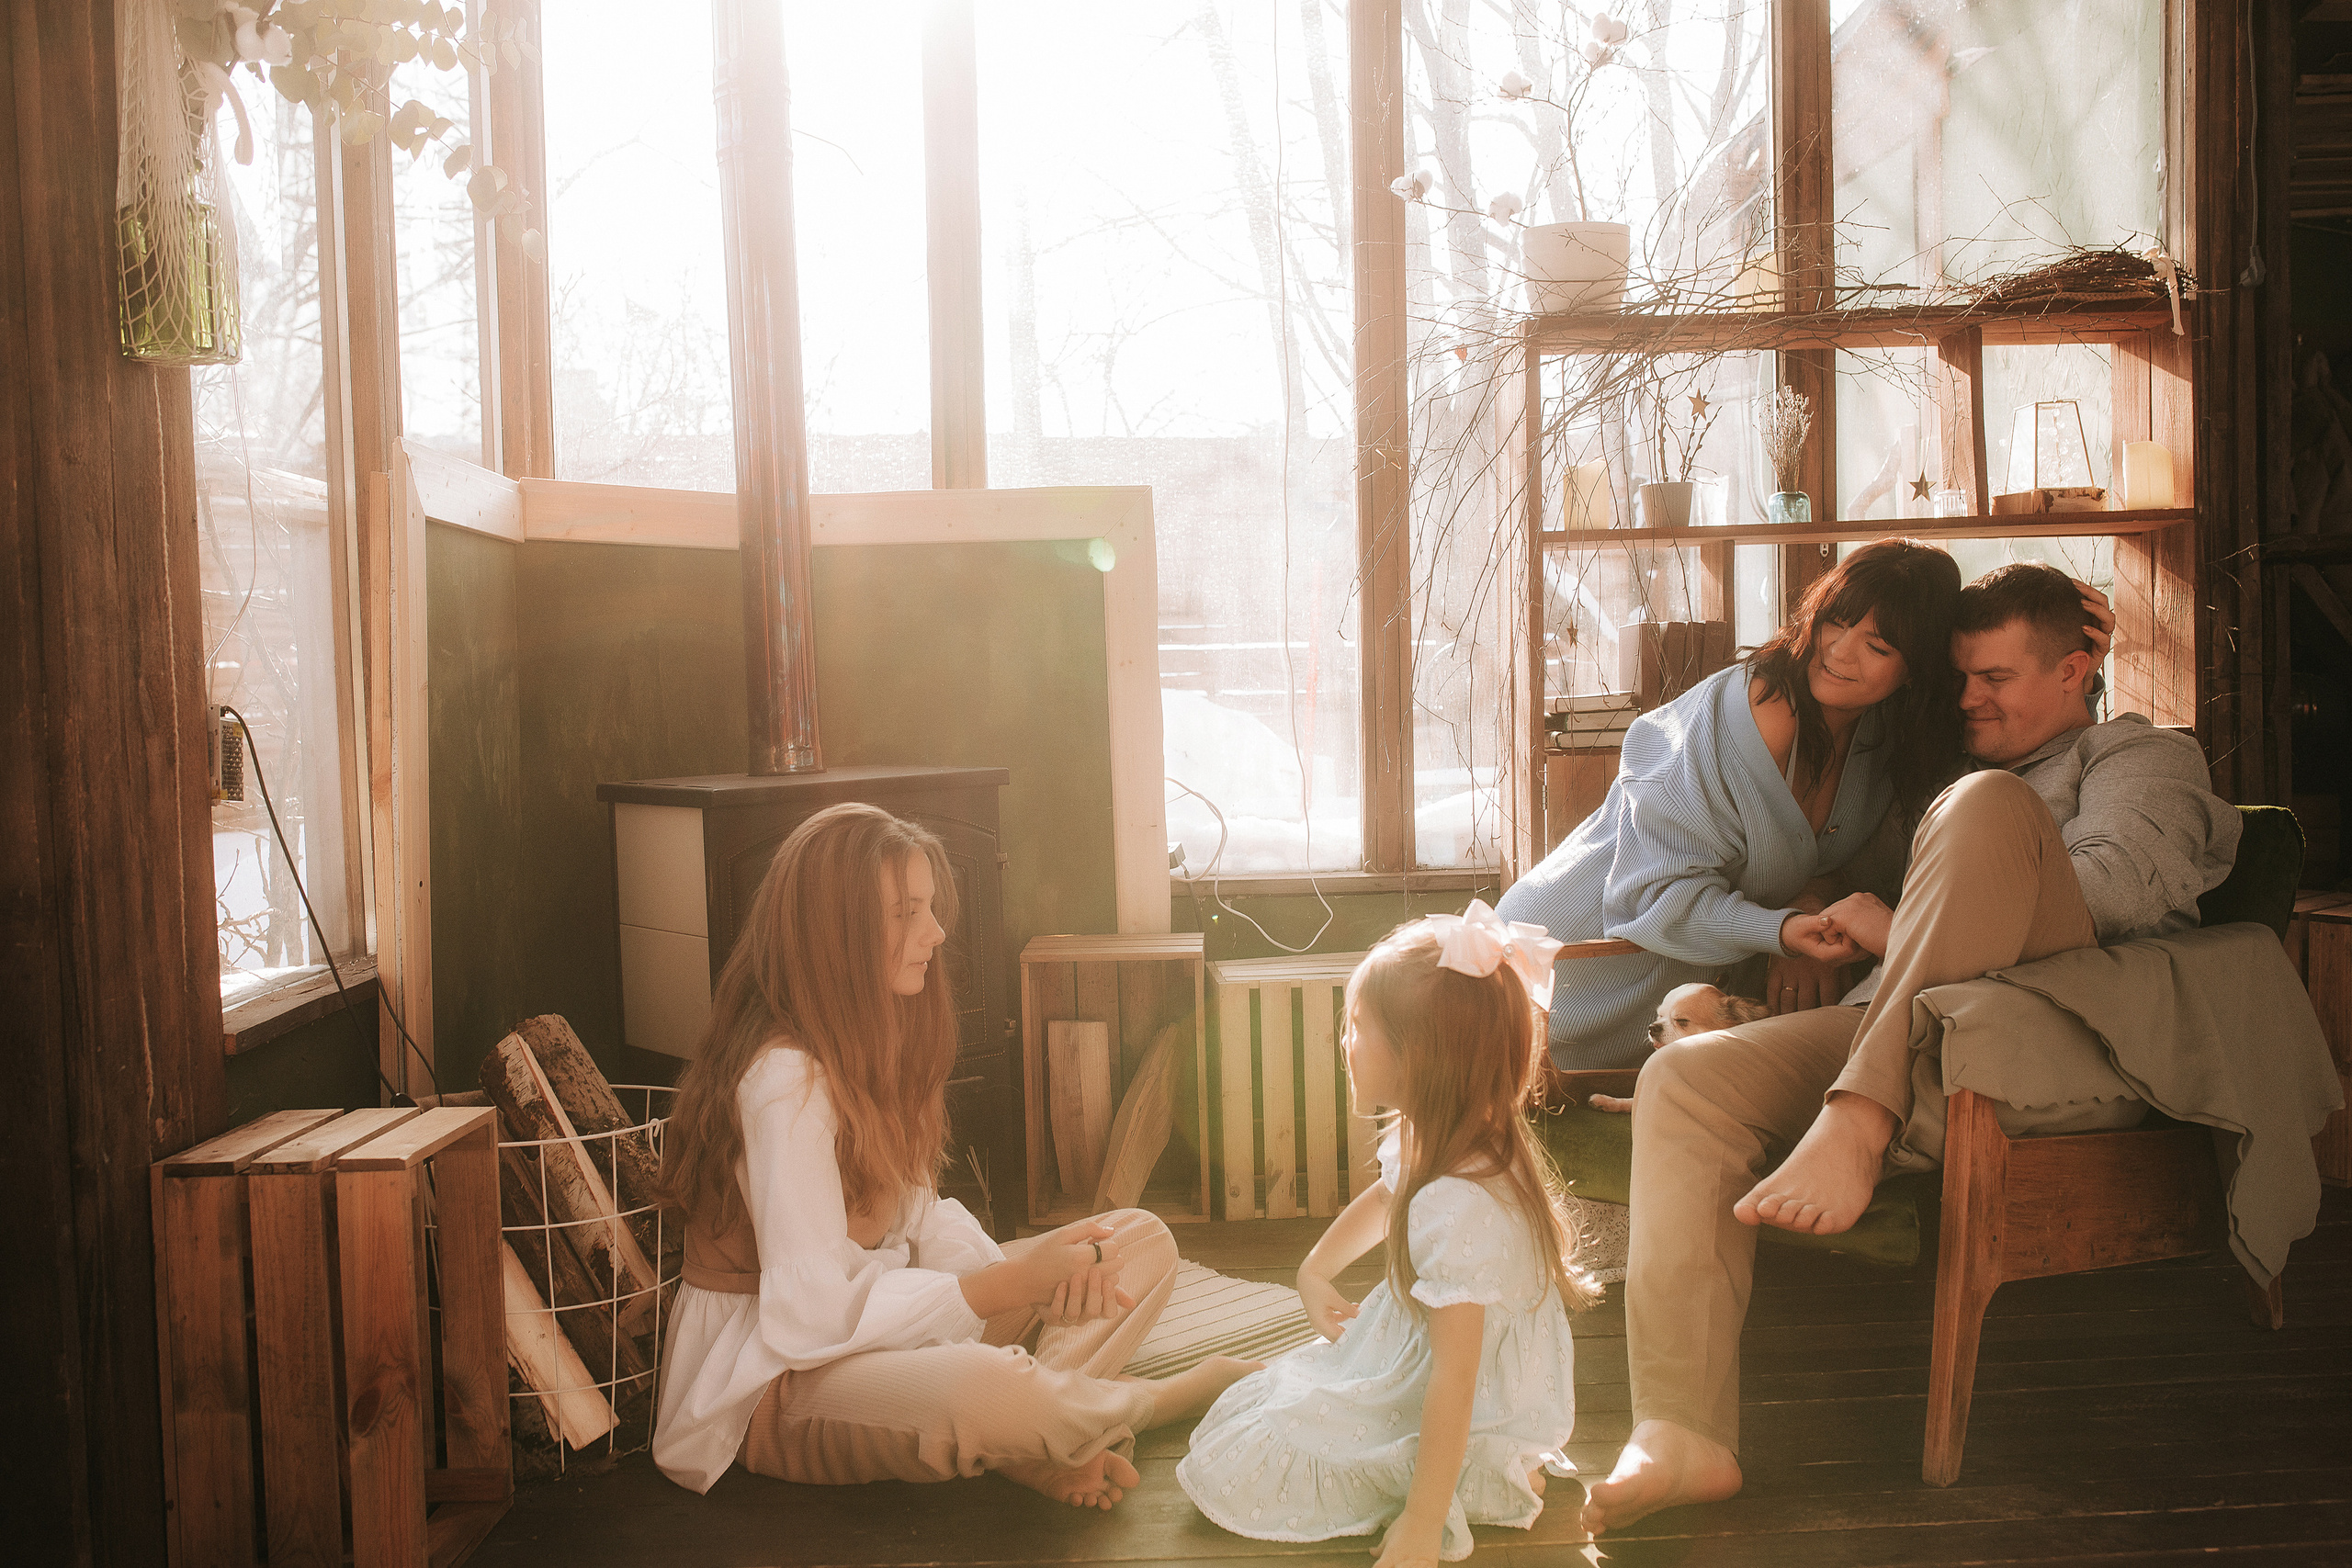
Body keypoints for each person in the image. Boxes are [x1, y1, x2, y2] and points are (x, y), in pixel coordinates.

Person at [1581, 562, 2242, 1536]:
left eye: (1996, 680)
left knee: (1982, 807)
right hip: (1909, 1025)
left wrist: (1899, 926)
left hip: (2049, 1034)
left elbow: (2114, 894)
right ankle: (1682, 1432)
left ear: (2073, 671)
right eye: (1959, 676)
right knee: (1685, 1078)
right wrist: (1811, 910)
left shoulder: (2137, 758)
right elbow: (1846, 876)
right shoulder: (1933, 780)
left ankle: (1859, 1117)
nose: (1968, 697)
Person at [651, 802, 1255, 1506]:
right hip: (771, 1379)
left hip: (871, 1331)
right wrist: (1006, 1290)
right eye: (907, 912)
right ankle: (1147, 1402)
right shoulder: (784, 1079)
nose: (935, 932)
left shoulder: (874, 1034)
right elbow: (807, 1318)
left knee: (1137, 1240)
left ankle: (1035, 1434)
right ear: (835, 935)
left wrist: (1034, 1278)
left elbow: (920, 1221)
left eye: (929, 907)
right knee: (987, 1387)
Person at [1178, 903, 1589, 1566]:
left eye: (1359, 1027)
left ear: (1419, 1055)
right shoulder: (1440, 1132)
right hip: (1414, 1352)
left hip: (1461, 1391)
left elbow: (1455, 1376)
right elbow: (1385, 1195)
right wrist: (1314, 1270)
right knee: (1277, 1402)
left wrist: (1426, 1522)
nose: (1344, 1041)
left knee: (1256, 1453)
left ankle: (1485, 1465)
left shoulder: (1462, 1205)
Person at [1498, 538, 1967, 1068]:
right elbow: (1650, 899)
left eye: (1877, 646)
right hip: (1570, 956)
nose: (1838, 650)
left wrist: (1811, 908)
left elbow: (1863, 865)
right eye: (1835, 620)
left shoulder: (1886, 735)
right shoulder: (1759, 709)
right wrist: (1784, 933)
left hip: (1684, 1001)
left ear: (1917, 669)